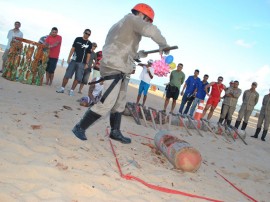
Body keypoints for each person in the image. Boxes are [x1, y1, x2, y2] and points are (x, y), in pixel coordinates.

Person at [72, 3, 169, 144]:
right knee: (107, 102)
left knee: (119, 103)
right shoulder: (131, 19)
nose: (146, 23)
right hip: (114, 67)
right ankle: (79, 127)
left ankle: (115, 132)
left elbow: (121, 46)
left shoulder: (123, 25)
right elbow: (151, 31)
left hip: (122, 67)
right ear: (142, 15)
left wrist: (138, 54)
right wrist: (163, 44)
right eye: (147, 20)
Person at [56, 29, 92, 96]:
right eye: (86, 33)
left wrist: (87, 63)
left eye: (89, 34)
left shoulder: (89, 43)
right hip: (73, 61)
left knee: (78, 78)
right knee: (67, 75)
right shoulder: (77, 39)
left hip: (82, 63)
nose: (87, 35)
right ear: (83, 32)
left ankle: (71, 91)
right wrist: (69, 57)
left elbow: (88, 54)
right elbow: (73, 48)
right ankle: (62, 88)